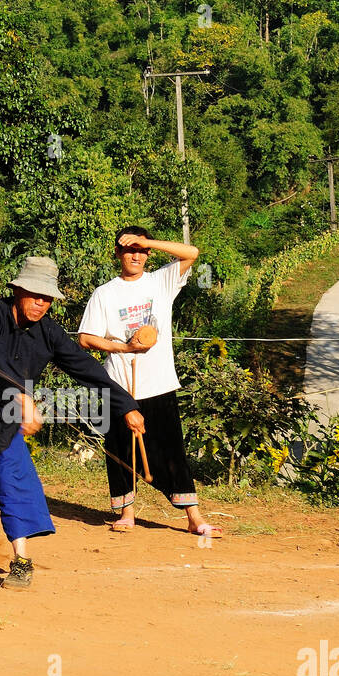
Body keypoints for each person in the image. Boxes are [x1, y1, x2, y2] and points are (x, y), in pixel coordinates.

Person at [0, 255, 145, 589]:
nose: (40, 302)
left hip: (5, 417)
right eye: (35, 294)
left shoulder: (49, 333)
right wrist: (21, 394)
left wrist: (125, 406)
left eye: (47, 297)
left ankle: (21, 561)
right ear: (17, 290)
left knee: (13, 480)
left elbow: (85, 367)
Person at [77, 226, 221, 538]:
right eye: (128, 249)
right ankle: (127, 513)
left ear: (148, 253)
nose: (135, 255)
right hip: (119, 385)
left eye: (141, 250)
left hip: (159, 383)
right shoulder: (105, 293)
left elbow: (192, 253)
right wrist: (123, 348)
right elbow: (85, 339)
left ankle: (193, 517)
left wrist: (147, 240)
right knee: (120, 452)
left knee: (171, 451)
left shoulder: (161, 282)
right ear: (117, 254)